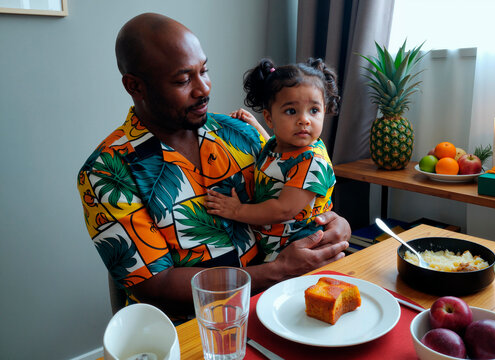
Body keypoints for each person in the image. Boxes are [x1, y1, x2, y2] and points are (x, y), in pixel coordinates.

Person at [76, 12, 350, 322]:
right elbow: (154, 286)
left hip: (280, 307)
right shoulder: (107, 171)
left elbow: (294, 194)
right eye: (183, 80)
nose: (203, 88)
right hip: (193, 328)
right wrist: (277, 271)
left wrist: (336, 225)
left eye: (204, 71)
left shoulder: (242, 133)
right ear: (135, 86)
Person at [206, 58, 339, 262]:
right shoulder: (280, 146)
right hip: (275, 244)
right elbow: (278, 160)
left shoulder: (313, 161)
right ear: (269, 118)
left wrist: (236, 210)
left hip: (301, 249)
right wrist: (255, 125)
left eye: (314, 110)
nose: (305, 119)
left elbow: (283, 209)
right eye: (291, 111)